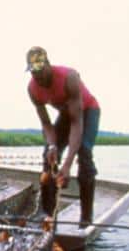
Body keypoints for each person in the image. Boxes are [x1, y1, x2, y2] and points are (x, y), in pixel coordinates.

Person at [26, 46, 101, 227]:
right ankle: (48, 213)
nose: (39, 78)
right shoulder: (33, 89)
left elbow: (77, 122)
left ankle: (86, 216)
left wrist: (67, 165)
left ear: (48, 65)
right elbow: (46, 124)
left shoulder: (69, 78)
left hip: (87, 111)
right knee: (48, 155)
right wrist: (52, 146)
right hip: (66, 115)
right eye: (34, 74)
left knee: (84, 152)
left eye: (41, 72)